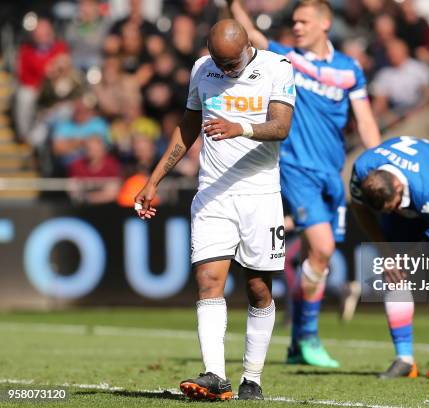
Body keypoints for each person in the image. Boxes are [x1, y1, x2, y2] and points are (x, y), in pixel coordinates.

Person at [134, 19, 295, 401]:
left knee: (258, 289)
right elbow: (188, 127)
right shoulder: (201, 69)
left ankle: (252, 378)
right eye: (219, 63)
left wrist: (241, 128)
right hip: (213, 194)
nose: (224, 71)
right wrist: (153, 180)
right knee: (208, 281)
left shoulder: (277, 67)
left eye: (231, 64)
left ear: (246, 48)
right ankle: (215, 376)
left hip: (260, 196)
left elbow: (281, 126)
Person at [229, 0, 381, 368]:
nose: (296, 26)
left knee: (318, 260)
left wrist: (378, 162)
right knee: (324, 248)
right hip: (297, 168)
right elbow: (251, 36)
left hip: (333, 172)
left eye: (304, 21)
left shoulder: (349, 70)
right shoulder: (285, 58)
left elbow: (364, 120)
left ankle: (298, 340)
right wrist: (233, 4)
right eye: (294, 21)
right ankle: (308, 338)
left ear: (325, 23)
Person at [350, 136, 429, 379]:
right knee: (394, 273)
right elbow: (360, 208)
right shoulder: (362, 169)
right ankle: (404, 359)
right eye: (387, 211)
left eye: (393, 207)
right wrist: (386, 252)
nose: (392, 212)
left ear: (398, 188)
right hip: (411, 190)